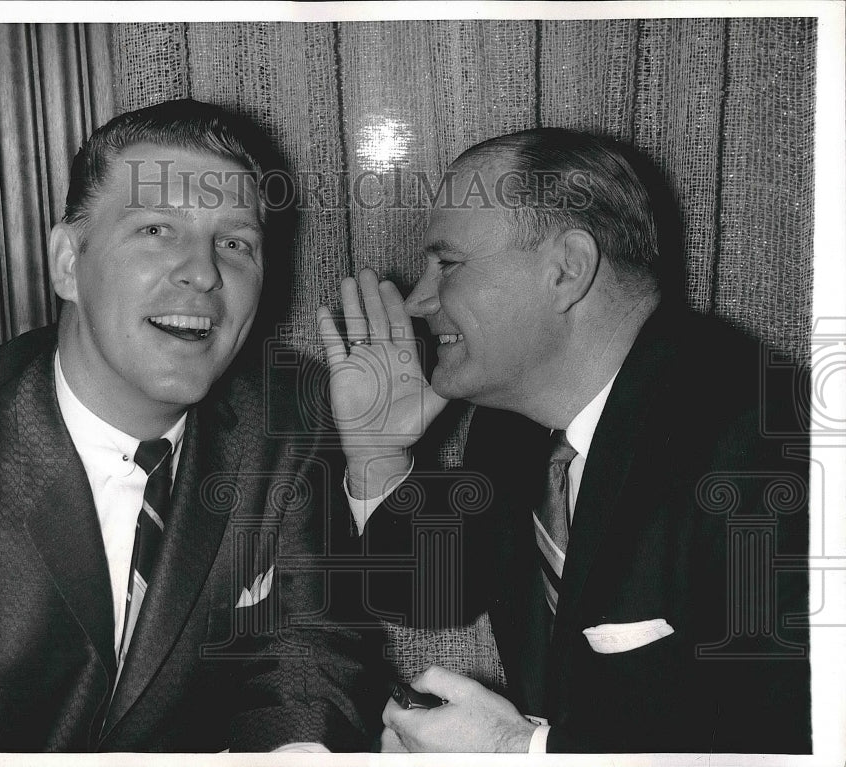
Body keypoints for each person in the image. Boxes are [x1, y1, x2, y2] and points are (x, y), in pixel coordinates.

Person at [0, 99, 370, 752]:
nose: (203, 270)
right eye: (158, 229)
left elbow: (309, 670)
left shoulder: (287, 429)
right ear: (69, 262)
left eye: (236, 241)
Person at [318, 128, 811, 753]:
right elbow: (429, 587)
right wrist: (378, 454)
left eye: (448, 263)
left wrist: (516, 753)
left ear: (567, 270)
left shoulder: (770, 446)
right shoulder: (517, 423)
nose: (418, 300)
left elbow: (789, 741)